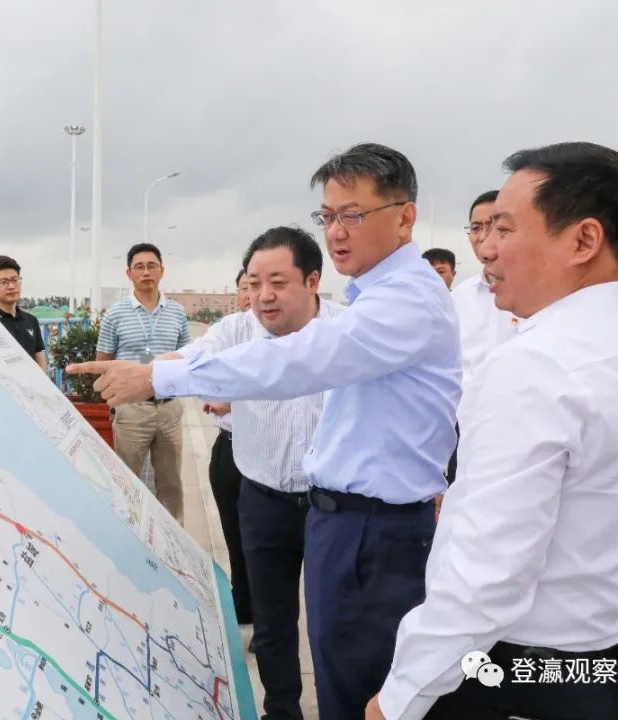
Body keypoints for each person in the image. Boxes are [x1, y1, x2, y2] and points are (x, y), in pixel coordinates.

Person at [68, 143, 461, 720]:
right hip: (321, 514)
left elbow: (295, 361)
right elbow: (222, 355)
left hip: (374, 530)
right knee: (314, 653)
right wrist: (160, 371)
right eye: (327, 216)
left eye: (353, 215)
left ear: (405, 217)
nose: (337, 230)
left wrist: (155, 376)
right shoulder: (366, 302)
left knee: (360, 682)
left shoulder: (398, 304)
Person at [368, 141, 618, 720]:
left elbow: (487, 578)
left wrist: (399, 699)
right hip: (609, 665)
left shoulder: (538, 364)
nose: (487, 249)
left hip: (514, 677)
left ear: (584, 241)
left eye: (504, 228)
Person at [168, 227, 344, 720]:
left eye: (278, 282)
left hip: (334, 504)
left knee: (336, 621)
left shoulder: (347, 331)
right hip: (264, 499)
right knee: (272, 623)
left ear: (313, 281)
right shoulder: (235, 331)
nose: (264, 295)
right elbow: (191, 359)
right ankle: (281, 710)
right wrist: (146, 373)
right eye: (254, 282)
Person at [95, 243, 191, 522]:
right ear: (129, 273)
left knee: (171, 484)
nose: (146, 272)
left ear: (162, 270)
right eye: (139, 267)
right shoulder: (115, 314)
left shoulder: (177, 313)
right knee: (126, 482)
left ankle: (174, 541)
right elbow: (103, 362)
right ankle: (127, 534)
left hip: (169, 409)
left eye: (152, 266)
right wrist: (114, 402)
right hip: (131, 410)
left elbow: (187, 358)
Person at [441, 191, 518, 484]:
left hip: (519, 434)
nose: (484, 236)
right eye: (476, 227)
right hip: (465, 437)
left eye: (495, 226)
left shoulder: (536, 296)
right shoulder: (457, 299)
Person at [198, 268, 254, 626]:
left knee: (259, 537)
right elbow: (200, 364)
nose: (252, 294)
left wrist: (232, 401)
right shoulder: (228, 331)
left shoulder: (288, 335)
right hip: (228, 447)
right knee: (233, 533)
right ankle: (242, 601)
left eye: (258, 285)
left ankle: (263, 608)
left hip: (263, 453)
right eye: (246, 287)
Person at [0, 255, 46, 370]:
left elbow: (39, 356)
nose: (12, 286)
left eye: (15, 280)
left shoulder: (31, 320)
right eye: (4, 282)